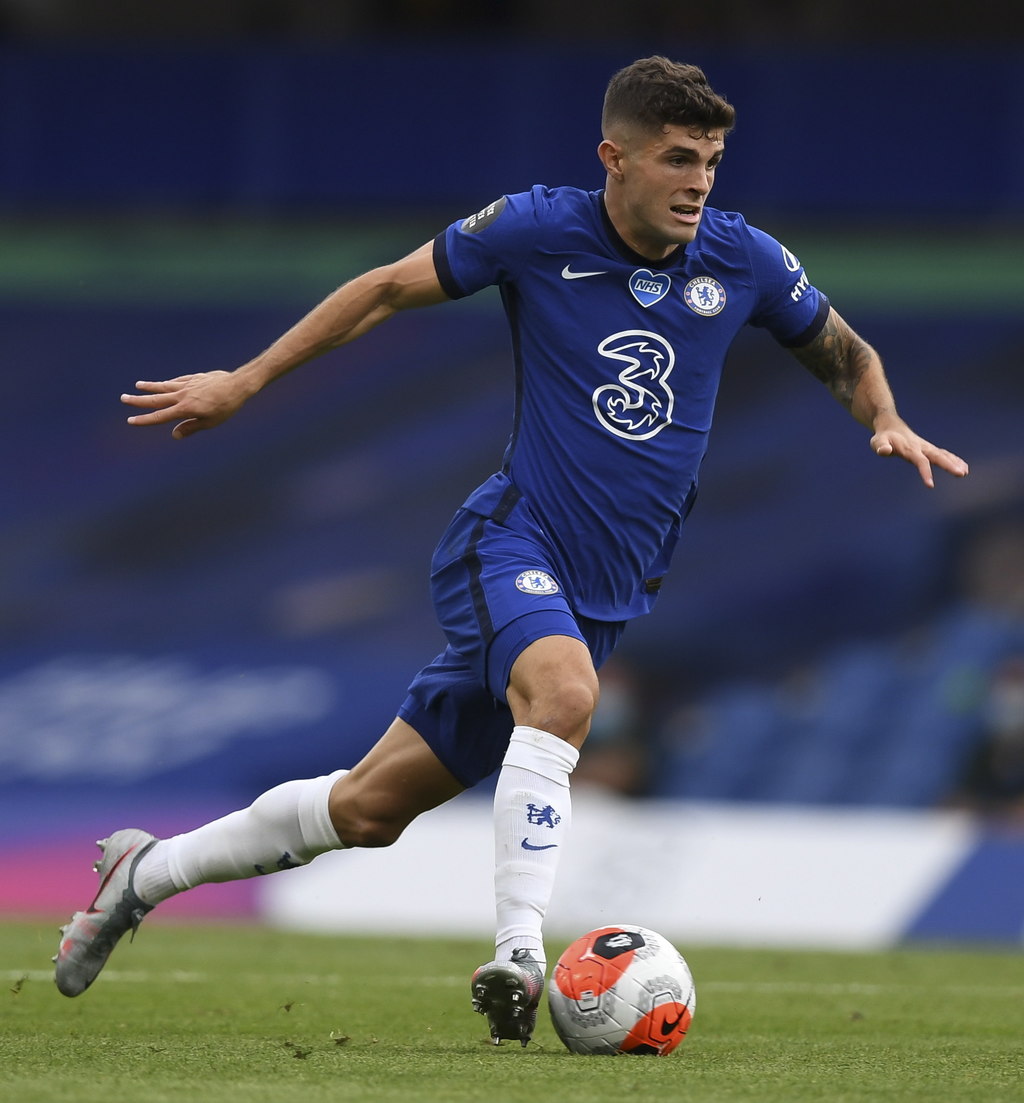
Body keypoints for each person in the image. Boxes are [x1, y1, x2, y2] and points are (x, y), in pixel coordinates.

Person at [54, 55, 969, 1044]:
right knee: (567, 696)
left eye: (710, 161)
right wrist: (247, 379)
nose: (699, 181)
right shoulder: (536, 229)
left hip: (606, 592)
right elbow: (384, 289)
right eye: (677, 158)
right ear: (614, 158)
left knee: (368, 809)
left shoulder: (741, 258)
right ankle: (521, 953)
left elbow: (842, 348)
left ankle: (142, 872)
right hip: (510, 540)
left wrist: (884, 416)